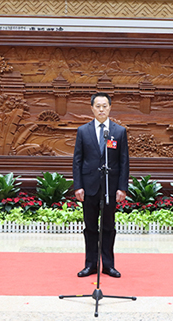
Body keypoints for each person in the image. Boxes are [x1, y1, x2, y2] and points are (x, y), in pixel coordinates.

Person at [72, 92, 129, 278]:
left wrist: (122, 188)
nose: (101, 109)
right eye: (98, 106)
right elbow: (77, 161)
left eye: (105, 106)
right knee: (90, 228)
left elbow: (123, 162)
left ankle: (108, 265)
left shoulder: (119, 132)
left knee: (108, 227)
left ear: (110, 107)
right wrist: (78, 186)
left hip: (110, 188)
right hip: (88, 188)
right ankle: (91, 265)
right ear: (92, 108)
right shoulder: (83, 131)